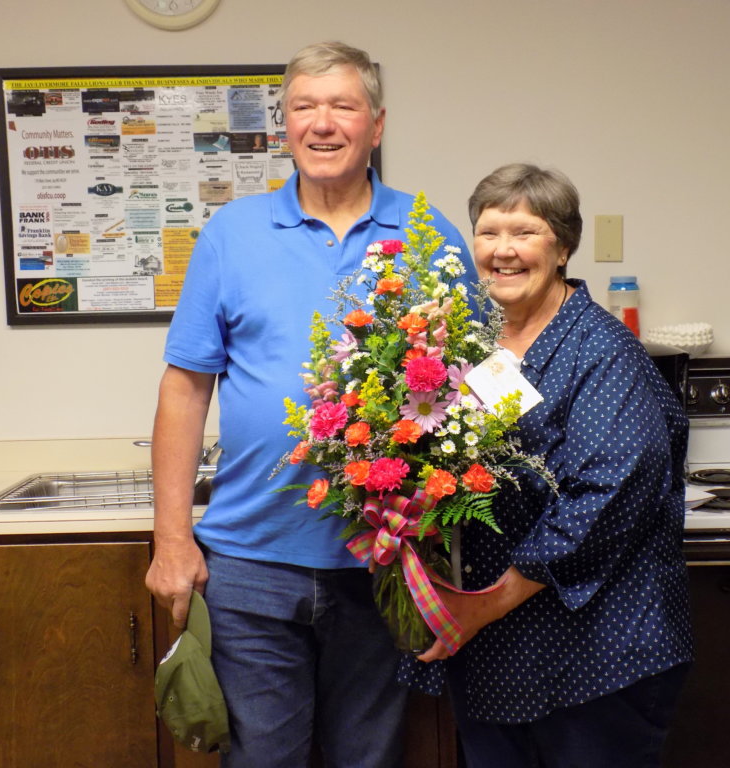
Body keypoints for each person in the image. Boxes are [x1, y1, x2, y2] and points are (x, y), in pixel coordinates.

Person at [144, 41, 471, 768]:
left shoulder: (428, 234)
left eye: (343, 106)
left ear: (376, 125)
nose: (323, 123)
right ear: (285, 125)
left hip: (383, 565)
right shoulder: (232, 234)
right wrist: (172, 539)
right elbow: (185, 388)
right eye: (305, 107)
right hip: (250, 565)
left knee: (369, 759)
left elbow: (476, 383)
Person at [414, 163, 694, 767]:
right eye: (488, 232)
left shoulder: (602, 351)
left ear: (563, 248)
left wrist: (486, 604)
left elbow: (606, 494)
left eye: (525, 232)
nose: (503, 250)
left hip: (598, 654)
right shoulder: (476, 343)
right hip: (500, 655)